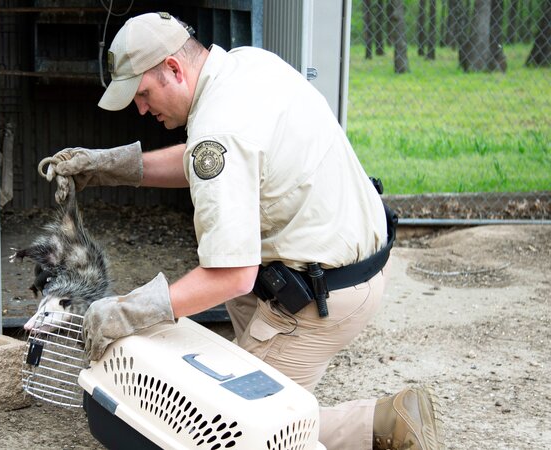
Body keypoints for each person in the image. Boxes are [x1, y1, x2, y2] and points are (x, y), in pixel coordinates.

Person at [43, 12, 445, 450]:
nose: (140, 108)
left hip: (317, 293)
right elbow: (216, 159)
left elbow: (231, 273)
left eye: (142, 93)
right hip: (344, 262)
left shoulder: (220, 127)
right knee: (240, 379)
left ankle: (380, 424)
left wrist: (126, 311)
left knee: (226, 430)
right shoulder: (245, 66)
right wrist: (109, 167)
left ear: (174, 69)